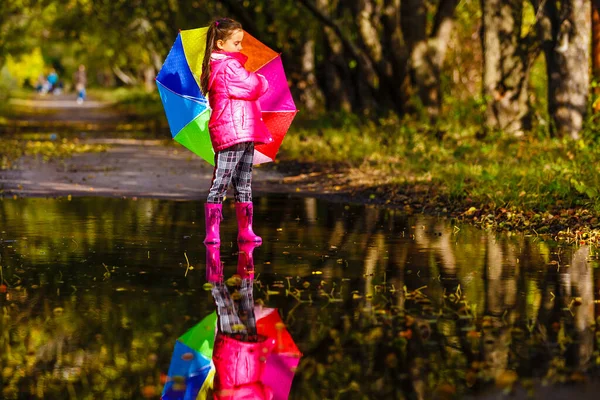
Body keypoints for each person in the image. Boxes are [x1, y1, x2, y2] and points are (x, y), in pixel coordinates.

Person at [200, 18, 273, 245]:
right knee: (222, 180)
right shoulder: (227, 66)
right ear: (220, 44)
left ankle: (246, 230)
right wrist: (262, 79)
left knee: (243, 181)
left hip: (244, 130)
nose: (240, 47)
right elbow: (252, 86)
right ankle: (213, 232)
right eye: (237, 43)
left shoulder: (228, 65)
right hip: (232, 131)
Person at [205, 243, 274, 400]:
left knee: (223, 301)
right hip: (251, 348)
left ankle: (212, 254)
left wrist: (247, 392)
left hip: (230, 349)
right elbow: (267, 392)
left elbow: (233, 393)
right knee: (246, 296)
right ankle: (246, 250)